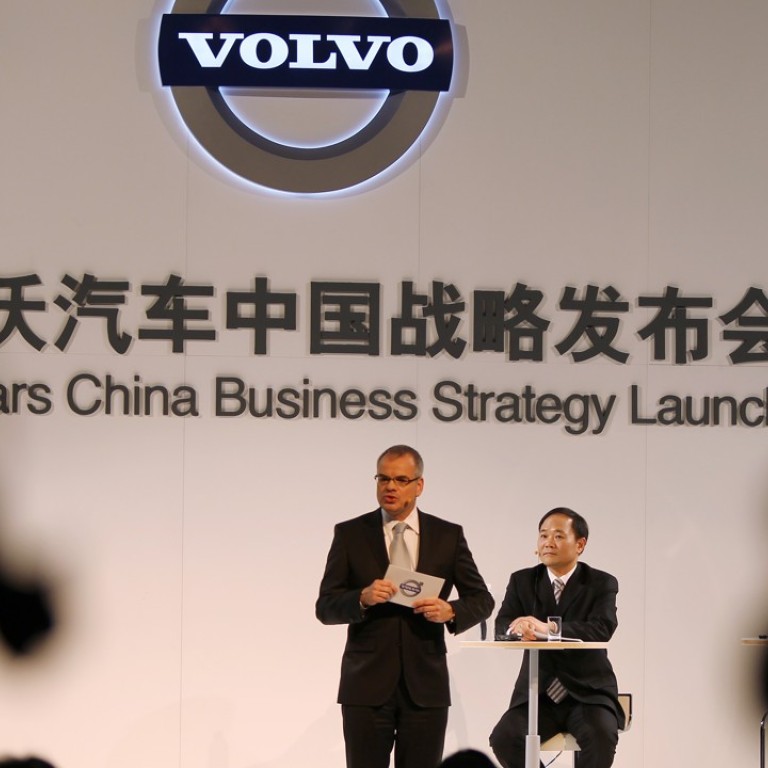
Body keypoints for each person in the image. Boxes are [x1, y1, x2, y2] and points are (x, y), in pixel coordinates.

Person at [316, 444, 494, 768]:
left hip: (425, 687)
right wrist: (361, 597)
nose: (390, 487)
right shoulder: (350, 533)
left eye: (400, 480)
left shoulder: (448, 535)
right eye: (383, 478)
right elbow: (325, 607)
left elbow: (482, 600)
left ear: (419, 485)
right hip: (366, 687)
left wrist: (451, 611)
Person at [489, 507, 624, 768]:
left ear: (580, 544)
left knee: (600, 737)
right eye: (543, 535)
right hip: (538, 695)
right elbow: (502, 626)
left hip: (588, 694)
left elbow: (602, 627)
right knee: (504, 738)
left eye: (559, 536)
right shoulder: (522, 580)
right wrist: (518, 629)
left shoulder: (601, 582)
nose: (548, 542)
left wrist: (547, 629)